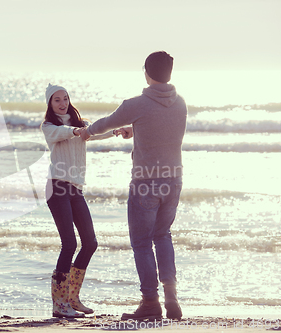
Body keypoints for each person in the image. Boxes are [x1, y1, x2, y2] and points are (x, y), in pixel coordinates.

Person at [80, 51, 187, 321]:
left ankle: (151, 301)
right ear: (170, 74)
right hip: (173, 180)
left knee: (141, 243)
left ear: (146, 72)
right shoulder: (181, 103)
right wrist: (135, 129)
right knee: (162, 235)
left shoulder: (136, 104)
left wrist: (86, 131)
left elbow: (105, 123)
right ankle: (172, 298)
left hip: (146, 183)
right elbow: (162, 130)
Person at [42, 84, 119, 318]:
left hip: (75, 188)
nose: (63, 103)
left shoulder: (80, 123)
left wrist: (117, 131)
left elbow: (93, 133)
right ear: (50, 104)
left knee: (90, 243)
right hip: (57, 187)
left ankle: (72, 298)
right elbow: (62, 134)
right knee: (69, 244)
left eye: (65, 98)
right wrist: (76, 131)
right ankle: (59, 304)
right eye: (57, 100)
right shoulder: (49, 127)